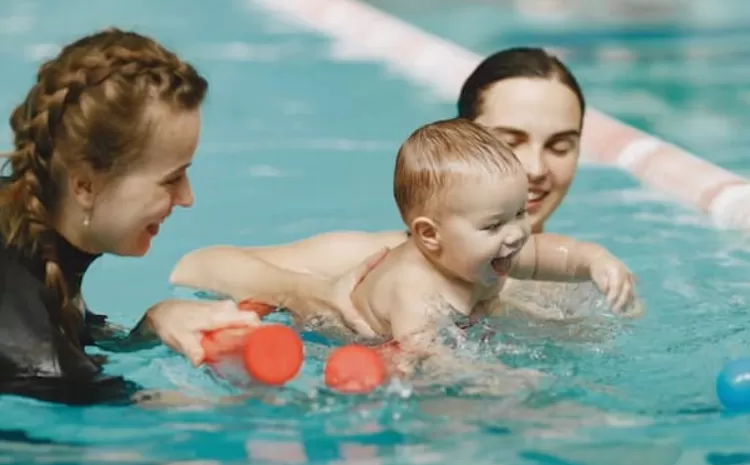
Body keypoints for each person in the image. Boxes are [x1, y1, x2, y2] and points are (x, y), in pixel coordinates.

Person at [168, 47, 614, 327]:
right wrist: (311, 294)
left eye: (560, 145)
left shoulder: (579, 284)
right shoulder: (384, 261)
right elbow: (195, 267)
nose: (536, 168)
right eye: (509, 141)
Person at [0, 28, 319, 405]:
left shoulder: (27, 236)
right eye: (171, 179)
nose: (187, 198)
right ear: (84, 186)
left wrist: (154, 324)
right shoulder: (37, 356)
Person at [350, 118, 634, 375]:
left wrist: (595, 261)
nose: (516, 234)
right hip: (365, 343)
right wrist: (492, 378)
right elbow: (429, 358)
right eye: (493, 226)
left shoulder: (489, 252)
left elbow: (557, 256)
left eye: (520, 213)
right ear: (430, 234)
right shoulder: (413, 290)